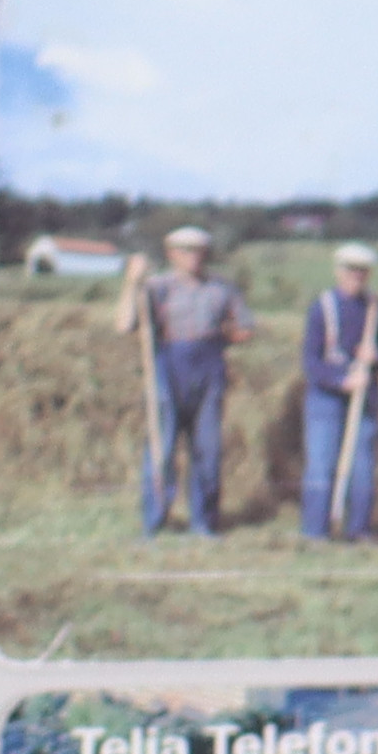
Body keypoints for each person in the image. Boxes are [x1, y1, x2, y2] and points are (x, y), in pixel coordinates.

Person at [117, 226, 248, 534]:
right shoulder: (155, 287)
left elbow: (245, 327)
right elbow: (124, 325)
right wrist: (131, 282)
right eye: (185, 251)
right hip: (168, 365)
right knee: (161, 446)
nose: (193, 257)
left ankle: (204, 522)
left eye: (198, 251)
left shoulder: (222, 288)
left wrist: (227, 336)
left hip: (209, 366)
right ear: (171, 254)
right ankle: (155, 520)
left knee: (207, 449)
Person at [298, 239, 378, 541]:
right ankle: (316, 531)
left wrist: (377, 356)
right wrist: (340, 380)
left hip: (364, 398)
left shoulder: (377, 309)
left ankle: (359, 530)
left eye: (362, 271)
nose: (356, 276)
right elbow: (311, 361)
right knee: (322, 463)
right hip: (325, 398)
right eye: (351, 270)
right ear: (338, 271)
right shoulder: (323, 307)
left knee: (362, 465)